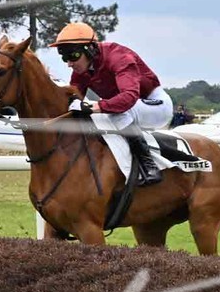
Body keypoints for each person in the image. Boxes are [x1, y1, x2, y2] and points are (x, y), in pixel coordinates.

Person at [50, 22, 173, 186]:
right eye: (65, 58)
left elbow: (128, 97)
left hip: (156, 106)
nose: (69, 64)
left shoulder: (119, 57)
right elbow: (73, 98)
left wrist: (93, 107)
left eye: (73, 56)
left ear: (90, 49)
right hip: (128, 109)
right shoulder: (81, 71)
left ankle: (149, 166)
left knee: (116, 112)